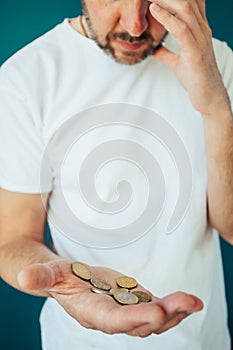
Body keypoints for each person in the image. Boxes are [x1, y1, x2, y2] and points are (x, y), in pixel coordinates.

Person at [0, 0, 233, 349]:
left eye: (152, 2)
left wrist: (215, 109)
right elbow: (13, 240)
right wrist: (61, 281)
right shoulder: (26, 77)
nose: (136, 26)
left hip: (203, 339)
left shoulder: (217, 61)